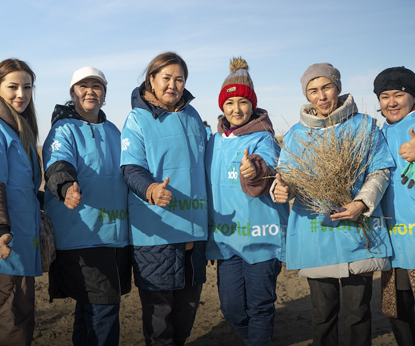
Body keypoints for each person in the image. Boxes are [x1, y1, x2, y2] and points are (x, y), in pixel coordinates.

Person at [272, 63, 394, 346]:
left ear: (337, 87)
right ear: (307, 95)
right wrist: (281, 189)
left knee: (357, 313)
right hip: (316, 236)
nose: (321, 96)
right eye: (313, 90)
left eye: (326, 87)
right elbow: (286, 179)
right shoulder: (295, 136)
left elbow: (380, 171)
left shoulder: (363, 125)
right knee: (323, 314)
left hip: (359, 231)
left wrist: (361, 203)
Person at [120, 52, 207, 346]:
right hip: (156, 232)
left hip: (194, 231)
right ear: (152, 80)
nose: (173, 85)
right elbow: (130, 168)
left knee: (187, 315)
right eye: (166, 78)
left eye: (179, 79)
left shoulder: (193, 116)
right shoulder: (137, 118)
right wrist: (151, 190)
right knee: (160, 320)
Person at [42, 66, 131, 346]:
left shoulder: (114, 131)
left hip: (115, 236)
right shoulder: (62, 129)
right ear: (72, 93)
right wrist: (66, 187)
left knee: (90, 311)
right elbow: (58, 164)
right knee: (104, 310)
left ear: (104, 94)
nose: (90, 91)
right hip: (82, 236)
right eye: (83, 86)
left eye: (97, 86)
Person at [205, 57, 289, 345]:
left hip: (261, 238)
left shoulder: (263, 138)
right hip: (227, 241)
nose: (236, 109)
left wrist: (254, 171)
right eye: (230, 103)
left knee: (260, 307)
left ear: (253, 105)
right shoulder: (213, 142)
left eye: (243, 102)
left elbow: (266, 170)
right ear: (222, 107)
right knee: (231, 309)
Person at [0, 58, 42, 346]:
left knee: (20, 318)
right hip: (8, 244)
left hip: (24, 242)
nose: (21, 94)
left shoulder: (21, 131)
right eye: (13, 86)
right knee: (12, 321)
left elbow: (24, 188)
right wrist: (1, 228)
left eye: (27, 87)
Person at [374, 67, 415, 346]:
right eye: (384, 96)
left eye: (399, 95)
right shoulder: (376, 134)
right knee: (400, 314)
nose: (391, 102)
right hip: (393, 242)